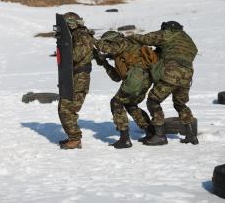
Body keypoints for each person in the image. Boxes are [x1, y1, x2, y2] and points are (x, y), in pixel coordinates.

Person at [129, 21, 199, 145]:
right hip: (187, 76)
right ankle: (190, 135)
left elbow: (146, 39)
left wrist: (130, 37)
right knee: (180, 104)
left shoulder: (168, 34)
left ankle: (159, 135)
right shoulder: (188, 40)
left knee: (153, 100)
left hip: (172, 73)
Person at [94, 31, 156, 148]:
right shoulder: (121, 52)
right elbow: (117, 77)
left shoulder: (124, 42)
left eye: (107, 42)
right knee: (130, 104)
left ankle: (124, 139)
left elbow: (105, 47)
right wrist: (104, 63)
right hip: (142, 80)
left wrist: (91, 40)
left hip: (137, 80)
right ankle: (150, 132)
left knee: (116, 102)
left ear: (112, 40)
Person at [58, 12, 94, 149]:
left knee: (66, 108)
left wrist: (64, 49)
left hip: (80, 78)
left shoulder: (82, 35)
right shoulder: (78, 35)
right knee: (65, 107)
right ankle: (73, 137)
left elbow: (77, 55)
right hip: (74, 76)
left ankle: (75, 139)